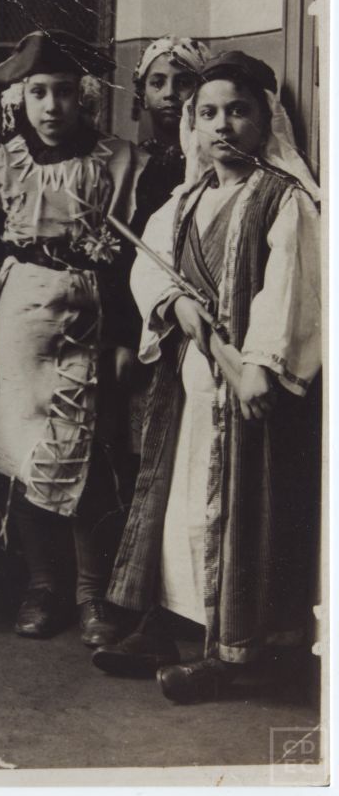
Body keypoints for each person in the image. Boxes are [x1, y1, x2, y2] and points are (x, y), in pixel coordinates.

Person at [93, 52, 321, 703]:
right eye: (209, 113)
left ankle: (237, 651)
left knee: (239, 514)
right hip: (192, 386)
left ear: (265, 121)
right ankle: (170, 626)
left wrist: (260, 366)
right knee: (184, 510)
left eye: (238, 111)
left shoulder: (284, 200)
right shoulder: (185, 200)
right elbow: (149, 267)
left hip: (248, 391)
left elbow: (293, 287)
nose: (223, 125)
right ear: (193, 124)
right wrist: (176, 305)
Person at [0, 30, 140, 646]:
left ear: (83, 98)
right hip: (18, 321)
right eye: (38, 92)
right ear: (20, 99)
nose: (51, 106)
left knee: (87, 451)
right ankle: (44, 585)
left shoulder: (116, 162)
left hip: (91, 319)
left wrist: (124, 337)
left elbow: (129, 260)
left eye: (63, 92)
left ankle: (93, 593)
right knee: (25, 453)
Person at [119, 38, 213, 463]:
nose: (171, 94)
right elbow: (124, 257)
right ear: (142, 94)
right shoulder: (131, 164)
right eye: (158, 83)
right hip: (145, 313)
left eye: (184, 82)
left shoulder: (213, 164)